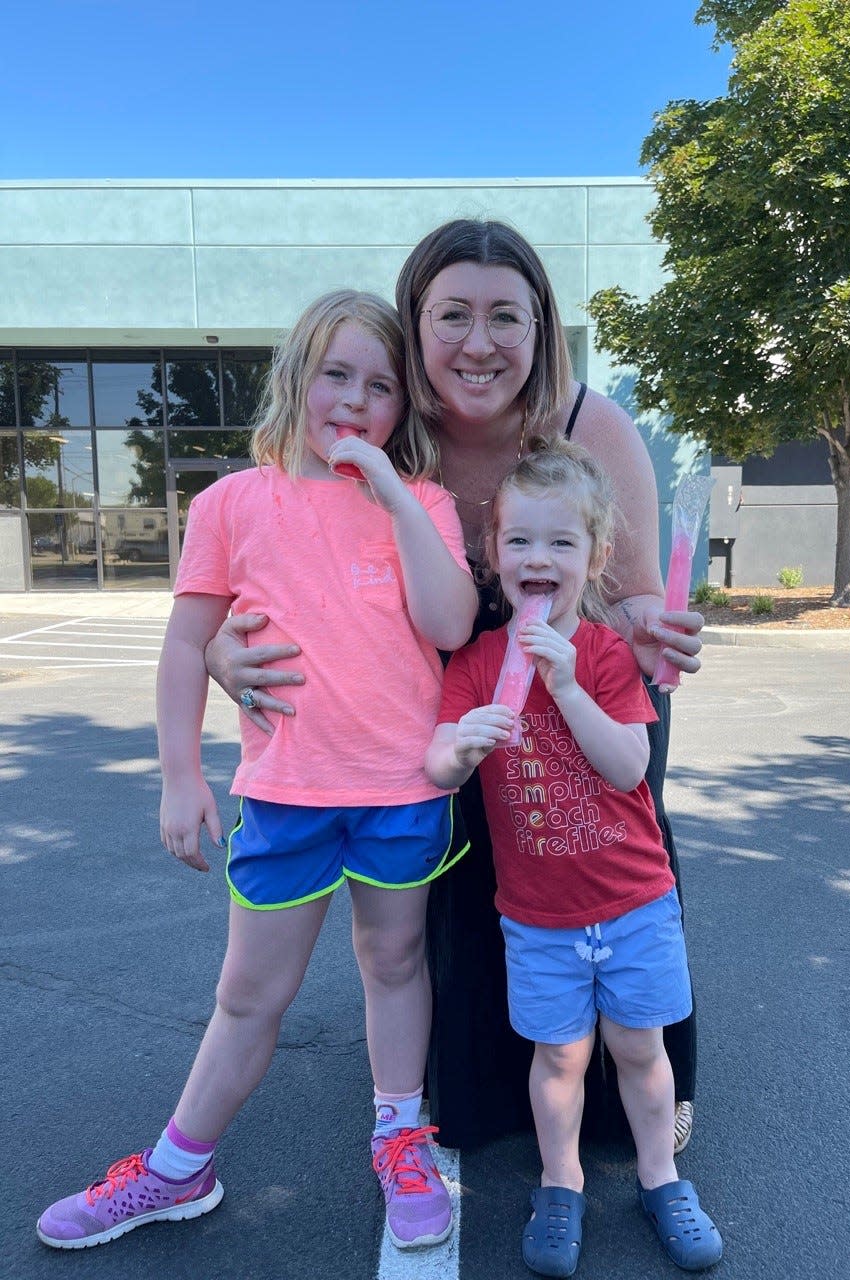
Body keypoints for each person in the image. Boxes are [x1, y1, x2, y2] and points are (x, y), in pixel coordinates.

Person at [203, 219, 704, 1154]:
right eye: (453, 316)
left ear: (543, 327)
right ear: (415, 323)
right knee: (468, 880)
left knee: (613, 863)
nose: (480, 343)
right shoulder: (393, 429)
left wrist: (652, 622)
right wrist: (217, 656)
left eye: (506, 317)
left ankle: (654, 1073)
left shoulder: (588, 425)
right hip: (448, 688)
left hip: (583, 683)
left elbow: (635, 593)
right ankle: (485, 1083)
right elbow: (290, 568)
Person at [36, 290, 478, 1254]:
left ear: (404, 408)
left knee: (394, 964)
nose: (355, 403)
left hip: (401, 792)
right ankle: (175, 1167)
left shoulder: (426, 504)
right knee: (249, 996)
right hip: (284, 795)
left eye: (381, 387)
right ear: (295, 379)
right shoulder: (234, 503)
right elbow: (186, 641)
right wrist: (179, 773)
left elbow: (448, 624)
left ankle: (401, 1134)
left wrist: (394, 490)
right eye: (336, 376)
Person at [424, 437, 722, 1276]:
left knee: (640, 1048)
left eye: (561, 542)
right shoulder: (478, 665)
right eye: (519, 541)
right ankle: (561, 1181)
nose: (538, 557)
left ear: (594, 559)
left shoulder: (602, 655)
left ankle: (661, 1177)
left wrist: (563, 684)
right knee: (558, 1056)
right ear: (493, 557)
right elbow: (437, 760)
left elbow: (630, 766)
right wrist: (458, 751)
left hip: (634, 902)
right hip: (538, 914)